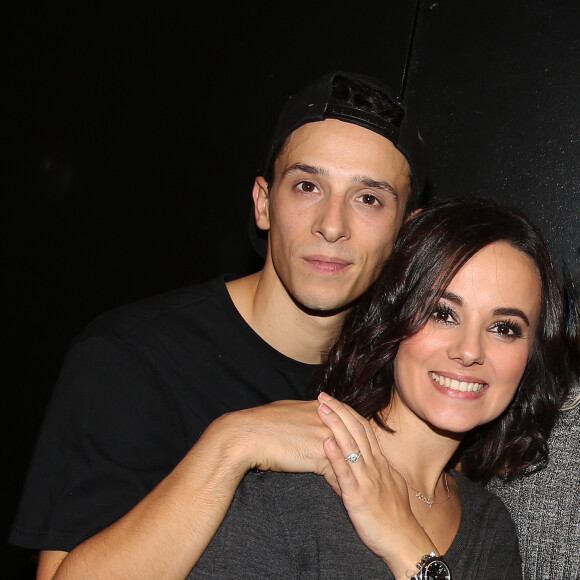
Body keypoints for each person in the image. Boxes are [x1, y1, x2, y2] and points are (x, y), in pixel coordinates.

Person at [9, 71, 427, 579]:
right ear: (263, 202)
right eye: (307, 186)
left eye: (368, 199)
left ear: (406, 233)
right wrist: (234, 442)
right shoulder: (132, 360)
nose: (332, 224)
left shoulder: (403, 384)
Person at [188, 196, 578, 580]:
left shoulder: (490, 527)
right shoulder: (289, 495)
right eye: (442, 313)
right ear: (392, 318)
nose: (469, 351)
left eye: (504, 328)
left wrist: (406, 546)